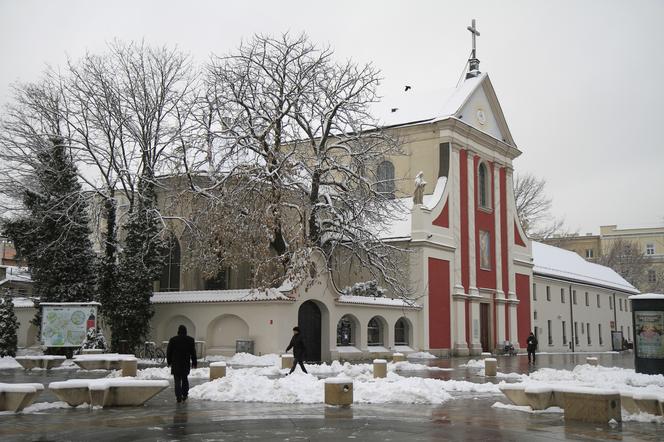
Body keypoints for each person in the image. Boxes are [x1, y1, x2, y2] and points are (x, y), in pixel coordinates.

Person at [167, 325, 197, 403]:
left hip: (176, 363)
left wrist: (169, 361)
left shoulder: (173, 340)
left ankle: (178, 396)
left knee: (177, 380)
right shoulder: (190, 340)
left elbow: (169, 352)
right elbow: (193, 352)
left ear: (178, 331)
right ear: (186, 331)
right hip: (185, 363)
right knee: (185, 379)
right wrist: (194, 362)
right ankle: (184, 394)